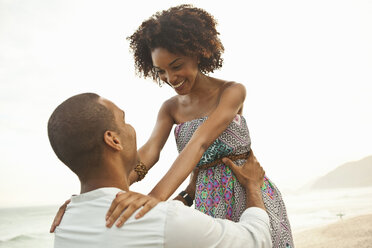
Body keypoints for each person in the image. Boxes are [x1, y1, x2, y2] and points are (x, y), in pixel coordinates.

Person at [104, 4, 294, 248]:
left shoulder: (232, 91)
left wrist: (153, 199)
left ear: (198, 52)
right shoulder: (169, 108)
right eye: (160, 71)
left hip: (248, 191)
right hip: (206, 201)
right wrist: (112, 189)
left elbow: (200, 142)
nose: (170, 79)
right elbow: (150, 152)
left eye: (176, 65)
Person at [48, 93, 272, 248]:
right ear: (113, 140)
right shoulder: (164, 220)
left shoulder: (65, 223)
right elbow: (257, 240)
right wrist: (253, 187)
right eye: (123, 120)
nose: (130, 128)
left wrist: (187, 195)